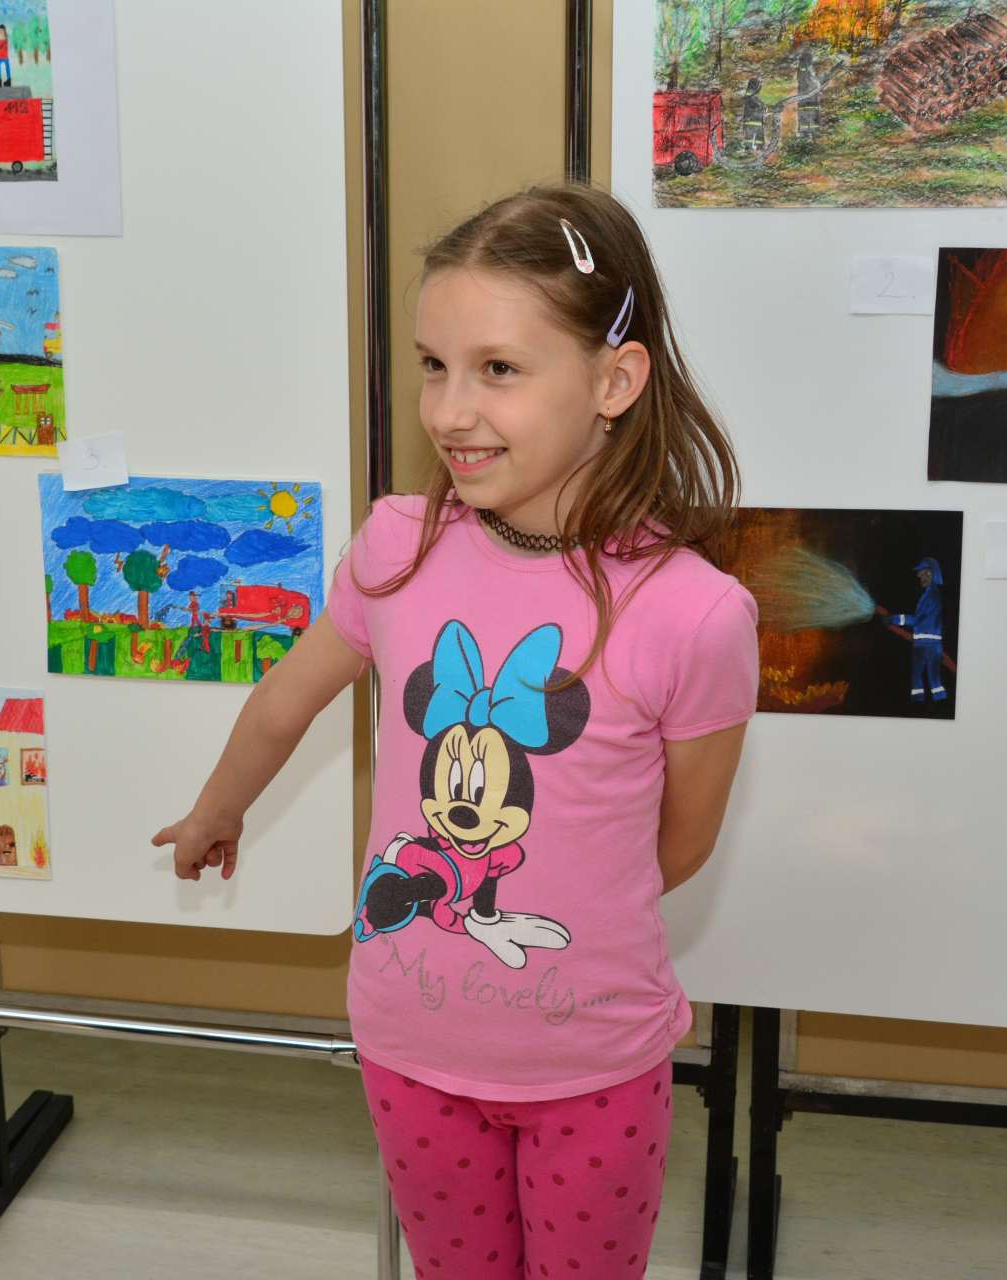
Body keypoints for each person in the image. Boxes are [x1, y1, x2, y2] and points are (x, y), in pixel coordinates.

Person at [153, 183, 758, 1277]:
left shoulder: (696, 612)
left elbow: (679, 842)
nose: (449, 410)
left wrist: (547, 904)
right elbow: (287, 697)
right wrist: (216, 808)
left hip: (593, 1064)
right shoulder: (398, 545)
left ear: (615, 381)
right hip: (407, 1044)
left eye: (499, 369)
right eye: (435, 365)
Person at [880, 558, 948, 704]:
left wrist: (893, 619)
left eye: (922, 574)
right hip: (927, 643)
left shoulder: (931, 595)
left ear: (930, 573)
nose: (919, 577)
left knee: (924, 678)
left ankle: (927, 704)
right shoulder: (930, 594)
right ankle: (932, 704)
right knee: (930, 679)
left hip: (926, 644)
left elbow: (917, 619)